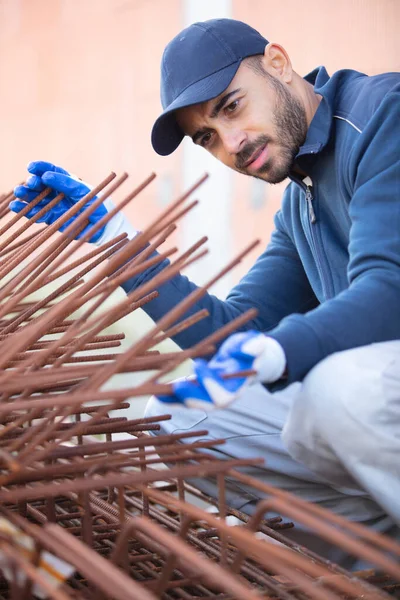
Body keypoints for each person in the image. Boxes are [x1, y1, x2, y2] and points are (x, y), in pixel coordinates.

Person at [12, 19, 400, 564]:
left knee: (337, 389)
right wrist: (118, 239)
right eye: (207, 137)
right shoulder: (301, 200)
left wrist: (285, 348)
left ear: (279, 63)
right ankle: (375, 566)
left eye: (232, 106)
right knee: (186, 417)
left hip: (371, 386)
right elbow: (232, 330)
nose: (232, 144)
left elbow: (390, 290)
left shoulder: (385, 114)